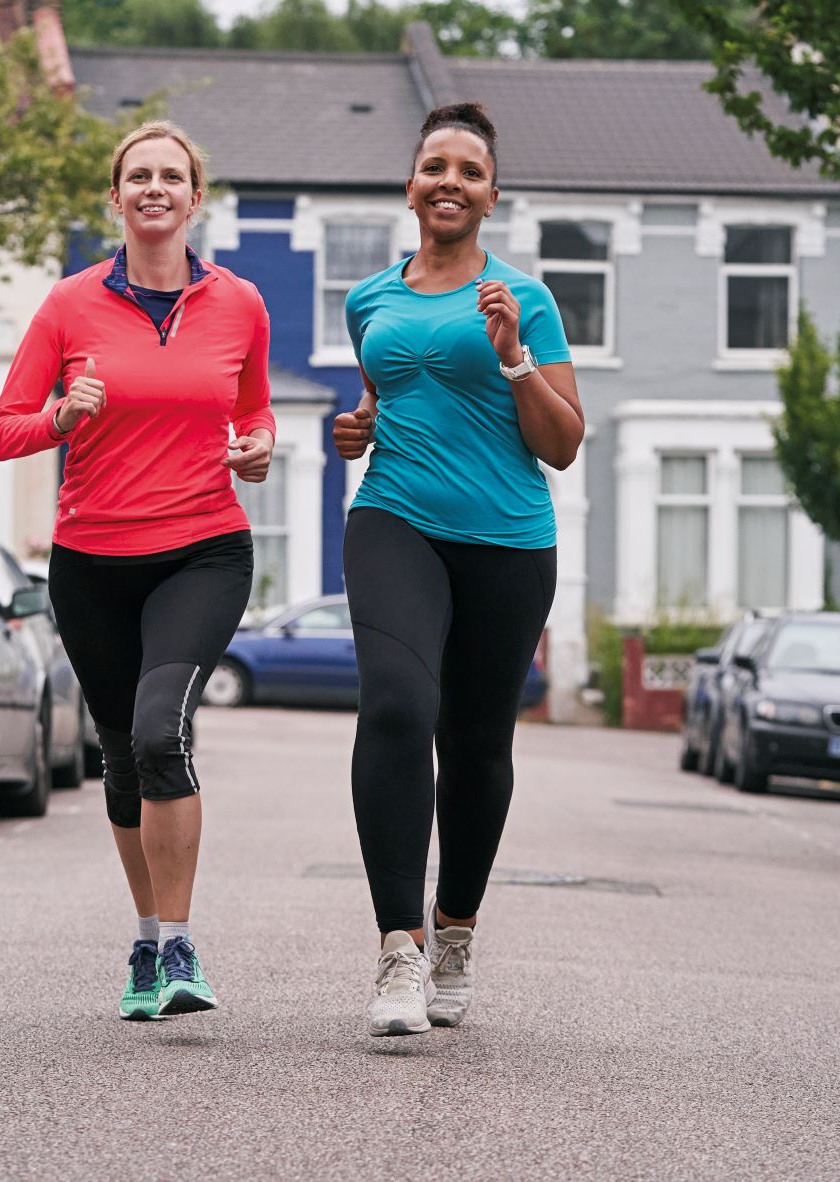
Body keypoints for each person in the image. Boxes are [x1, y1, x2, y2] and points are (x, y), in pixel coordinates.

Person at [0, 121, 275, 1022]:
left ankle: (181, 941)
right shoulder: (68, 307)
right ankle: (147, 943)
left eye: (172, 176)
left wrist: (259, 449)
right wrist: (63, 418)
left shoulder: (240, 305)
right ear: (116, 200)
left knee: (159, 733)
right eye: (137, 176)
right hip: (92, 560)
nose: (154, 188)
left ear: (195, 198)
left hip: (202, 548)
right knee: (119, 758)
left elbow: (255, 412)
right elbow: (1, 432)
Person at [332, 102, 585, 1037]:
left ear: (489, 194)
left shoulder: (527, 299)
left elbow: (562, 444)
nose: (449, 181)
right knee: (396, 705)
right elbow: (381, 398)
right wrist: (355, 429)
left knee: (476, 747)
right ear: (410, 185)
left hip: (508, 543)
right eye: (433, 165)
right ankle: (397, 952)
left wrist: (514, 356)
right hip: (393, 517)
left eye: (468, 171)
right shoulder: (369, 299)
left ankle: (455, 930)